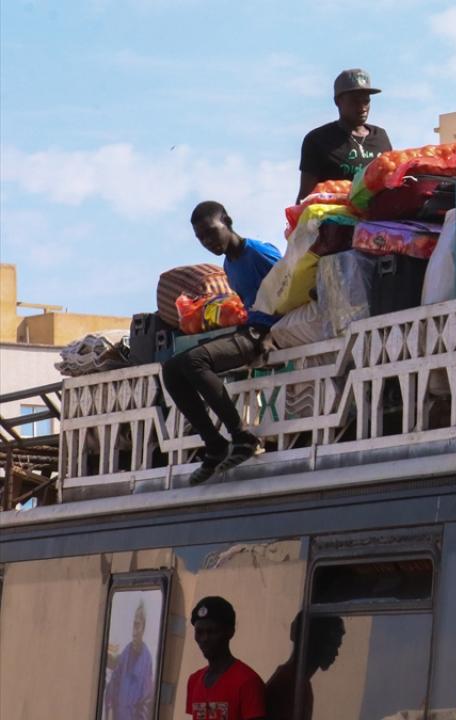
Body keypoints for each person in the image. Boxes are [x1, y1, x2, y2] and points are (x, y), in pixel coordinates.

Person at [162, 202, 281, 484]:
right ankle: (214, 444)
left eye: (211, 233)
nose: (207, 242)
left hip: (264, 333)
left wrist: (275, 331)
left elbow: (294, 286)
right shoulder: (229, 264)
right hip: (248, 329)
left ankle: (242, 437)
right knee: (171, 369)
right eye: (201, 238)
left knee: (195, 361)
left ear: (227, 221)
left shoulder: (259, 253)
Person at [298, 68, 393, 201]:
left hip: (375, 219)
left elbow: (390, 182)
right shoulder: (317, 140)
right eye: (355, 101)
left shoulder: (380, 137)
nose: (362, 107)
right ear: (338, 102)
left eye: (366, 101)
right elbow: (305, 196)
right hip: (335, 218)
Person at [186, 596, 266, 720]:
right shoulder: (194, 680)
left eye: (212, 632)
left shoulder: (248, 681)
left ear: (230, 632)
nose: (204, 639)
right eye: (199, 632)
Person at [264, 614, 345, 720]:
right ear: (316, 640)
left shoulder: (300, 683)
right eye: (332, 644)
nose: (336, 653)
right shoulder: (286, 684)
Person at [104, 601, 155, 720]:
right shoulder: (126, 653)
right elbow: (113, 686)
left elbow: (146, 705)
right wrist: (110, 712)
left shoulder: (146, 661)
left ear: (144, 628)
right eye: (133, 625)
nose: (134, 631)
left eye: (138, 625)